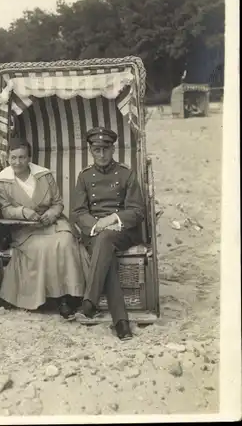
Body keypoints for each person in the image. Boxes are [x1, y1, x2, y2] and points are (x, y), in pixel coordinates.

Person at [0, 138, 86, 320]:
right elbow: (5, 209)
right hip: (26, 229)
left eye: (21, 158)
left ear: (29, 158)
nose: (17, 162)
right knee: (43, 247)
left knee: (66, 241)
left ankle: (73, 294)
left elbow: (58, 203)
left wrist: (52, 214)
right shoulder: (3, 181)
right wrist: (23, 212)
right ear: (8, 159)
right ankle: (60, 299)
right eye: (13, 158)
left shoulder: (44, 176)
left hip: (53, 223)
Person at [71, 127, 145, 341]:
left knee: (105, 241)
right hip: (96, 232)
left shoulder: (125, 174)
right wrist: (97, 225)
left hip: (122, 232)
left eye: (105, 149)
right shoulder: (84, 177)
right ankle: (121, 322)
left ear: (113, 149)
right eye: (96, 150)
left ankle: (90, 300)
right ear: (90, 151)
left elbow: (137, 211)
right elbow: (78, 212)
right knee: (105, 249)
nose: (101, 154)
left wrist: (113, 219)